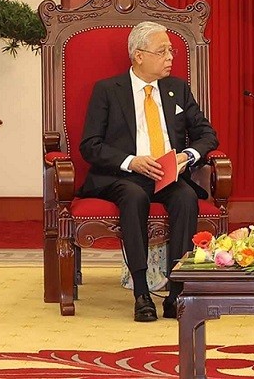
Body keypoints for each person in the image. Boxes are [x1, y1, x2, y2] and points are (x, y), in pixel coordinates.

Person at [78, 21, 218, 322]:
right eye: (162, 51)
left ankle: (176, 292)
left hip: (168, 174)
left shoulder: (177, 88)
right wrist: (131, 160)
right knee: (133, 196)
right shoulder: (107, 90)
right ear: (138, 55)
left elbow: (207, 134)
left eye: (171, 50)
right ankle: (141, 291)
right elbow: (90, 145)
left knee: (184, 199)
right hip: (123, 175)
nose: (170, 57)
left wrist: (187, 156)